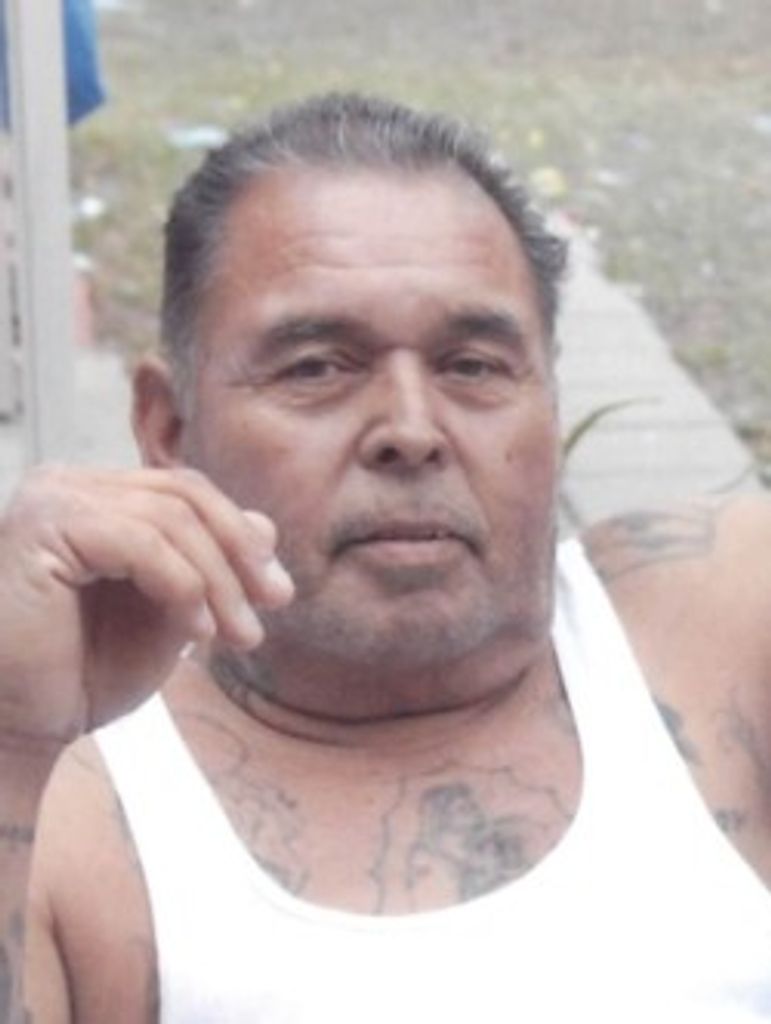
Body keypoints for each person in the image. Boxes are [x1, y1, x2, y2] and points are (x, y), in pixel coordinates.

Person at [0, 92, 770, 1024]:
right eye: (317, 367)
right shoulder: (74, 797)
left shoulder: (717, 626)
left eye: (472, 365)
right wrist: (14, 738)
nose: (410, 429)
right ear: (167, 429)